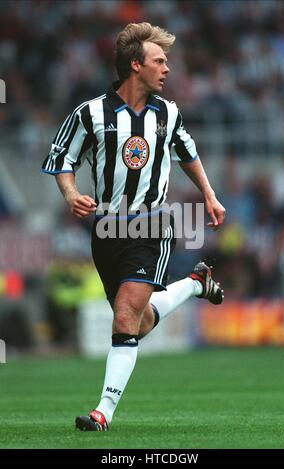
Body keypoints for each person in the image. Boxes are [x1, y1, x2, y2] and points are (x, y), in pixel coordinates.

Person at [41, 22, 226, 432]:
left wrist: (210, 195)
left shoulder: (169, 113)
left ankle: (102, 412)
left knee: (125, 317)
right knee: (138, 322)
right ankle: (196, 283)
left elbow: (188, 153)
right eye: (159, 61)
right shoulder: (89, 113)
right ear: (135, 65)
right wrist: (71, 196)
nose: (167, 69)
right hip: (106, 231)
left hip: (151, 225)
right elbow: (62, 160)